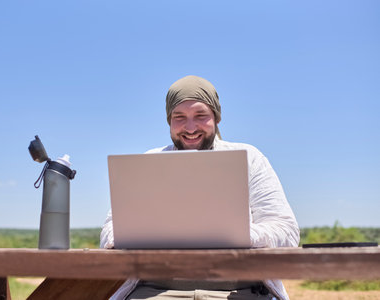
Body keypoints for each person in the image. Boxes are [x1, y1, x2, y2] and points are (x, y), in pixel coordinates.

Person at [100, 75, 300, 300]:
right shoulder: (149, 162)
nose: (190, 127)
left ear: (216, 117)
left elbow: (287, 231)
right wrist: (141, 234)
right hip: (154, 291)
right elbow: (109, 231)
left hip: (238, 291)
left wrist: (235, 234)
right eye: (179, 117)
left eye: (200, 115)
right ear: (169, 121)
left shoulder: (249, 158)